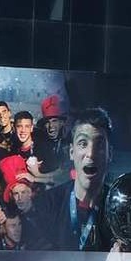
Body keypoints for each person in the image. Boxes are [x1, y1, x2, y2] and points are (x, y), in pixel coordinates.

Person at [27, 108, 115, 252]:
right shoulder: (48, 204)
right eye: (83, 143)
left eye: (99, 144)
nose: (90, 154)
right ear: (71, 152)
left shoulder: (118, 209)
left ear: (109, 153)